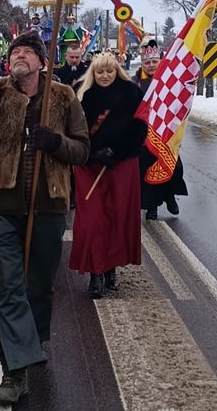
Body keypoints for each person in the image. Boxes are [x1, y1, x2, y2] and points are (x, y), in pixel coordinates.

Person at [0, 26, 89, 405]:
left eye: (27, 52)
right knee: (10, 286)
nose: (19, 57)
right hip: (2, 206)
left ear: (42, 62)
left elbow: (82, 149)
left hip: (48, 205)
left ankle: (32, 341)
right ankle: (14, 370)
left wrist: (56, 143)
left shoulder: (62, 97)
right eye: (14, 53)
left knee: (39, 286)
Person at [69, 52, 147, 299]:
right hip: (89, 166)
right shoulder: (80, 94)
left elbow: (140, 127)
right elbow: (71, 129)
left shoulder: (131, 93)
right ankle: (95, 270)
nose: (104, 76)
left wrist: (116, 150)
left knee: (117, 216)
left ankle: (111, 266)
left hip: (120, 164)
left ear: (117, 71)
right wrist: (92, 153)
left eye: (109, 71)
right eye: (100, 71)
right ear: (93, 73)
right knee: (92, 220)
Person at [133, 39, 187, 220]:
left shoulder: (168, 81)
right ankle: (152, 206)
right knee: (147, 170)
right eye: (147, 62)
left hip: (166, 133)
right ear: (142, 64)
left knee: (174, 167)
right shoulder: (135, 83)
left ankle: (169, 196)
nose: (151, 65)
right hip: (144, 136)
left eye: (154, 62)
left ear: (160, 62)